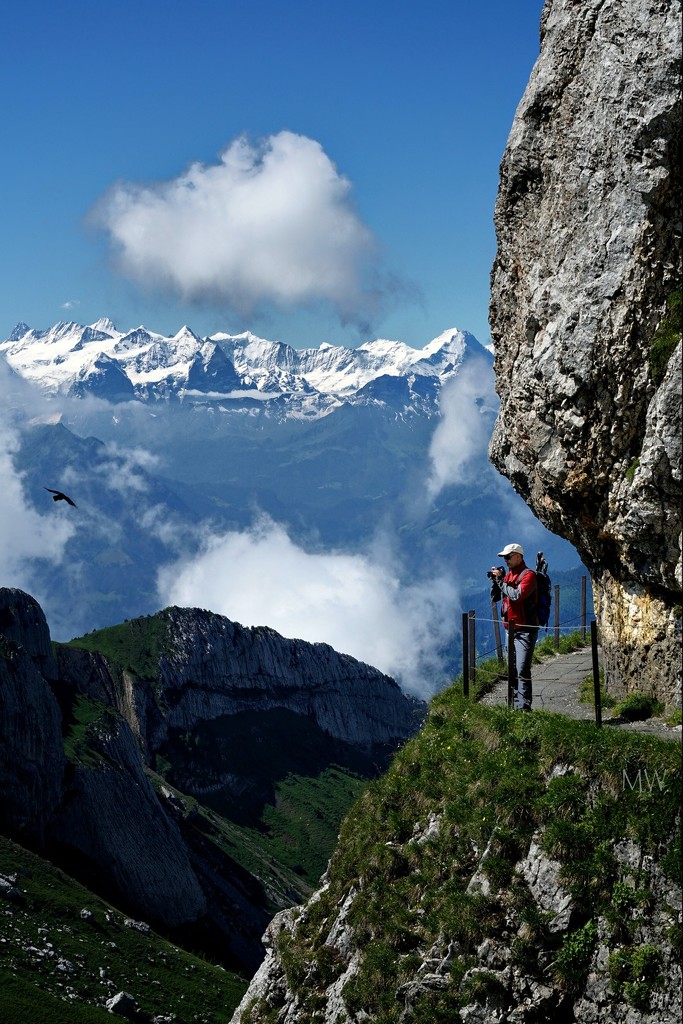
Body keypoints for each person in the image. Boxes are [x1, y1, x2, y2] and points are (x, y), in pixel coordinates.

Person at [489, 543, 538, 711]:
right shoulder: (508, 576)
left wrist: (501, 581)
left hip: (525, 629)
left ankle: (524, 708)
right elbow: (497, 598)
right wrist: (497, 582)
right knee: (512, 669)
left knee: (522, 669)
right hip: (509, 629)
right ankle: (515, 706)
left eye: (508, 557)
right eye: (504, 558)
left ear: (518, 556)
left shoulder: (529, 576)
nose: (506, 560)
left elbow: (517, 595)